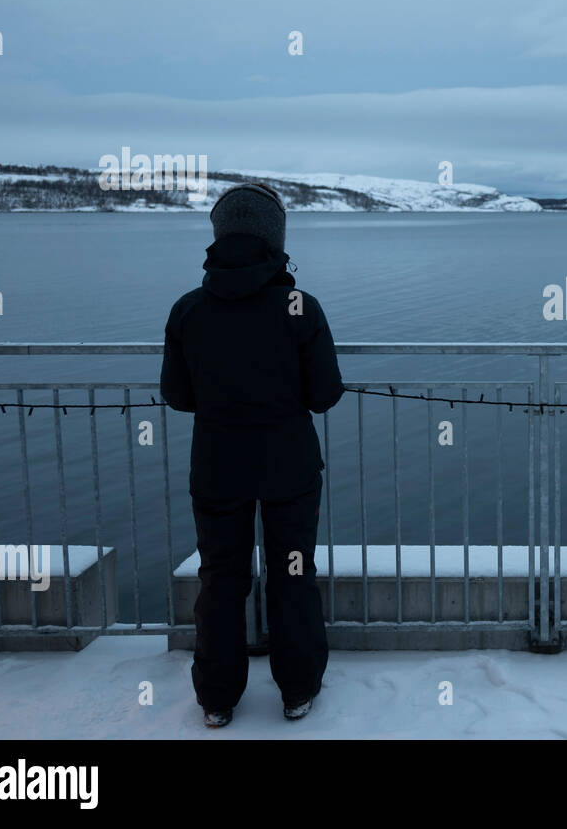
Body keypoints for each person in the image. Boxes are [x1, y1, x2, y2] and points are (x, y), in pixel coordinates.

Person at [160, 181, 344, 727]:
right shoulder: (298, 306)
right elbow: (325, 394)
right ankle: (298, 688)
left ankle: (217, 697)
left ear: (219, 239)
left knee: (221, 577)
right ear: (276, 239)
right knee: (293, 571)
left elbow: (177, 396)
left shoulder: (189, 309)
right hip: (288, 466)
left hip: (218, 466)